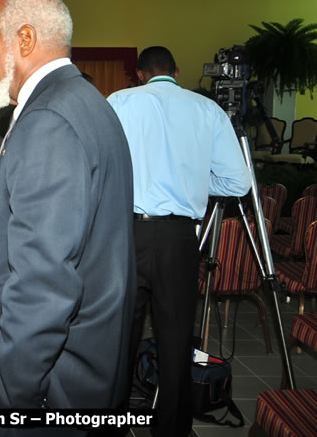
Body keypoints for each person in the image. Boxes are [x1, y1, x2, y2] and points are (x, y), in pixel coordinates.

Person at [0, 0, 136, 426]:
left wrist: (8, 395)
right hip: (83, 371)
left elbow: (43, 282)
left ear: (24, 39)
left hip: (48, 388)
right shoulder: (87, 102)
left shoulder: (48, 121)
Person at [107, 46, 251, 437]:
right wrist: (196, 188)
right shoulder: (207, 110)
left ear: (139, 73)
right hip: (179, 237)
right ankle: (170, 430)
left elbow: (99, 166)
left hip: (128, 234)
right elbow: (238, 182)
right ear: (177, 70)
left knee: (120, 339)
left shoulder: (119, 101)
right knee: (174, 341)